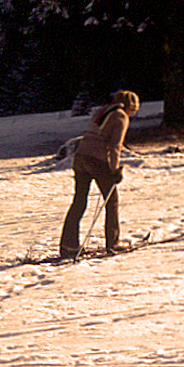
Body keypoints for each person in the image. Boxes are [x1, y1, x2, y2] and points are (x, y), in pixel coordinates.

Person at [59, 90, 140, 258]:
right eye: (134, 109)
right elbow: (115, 146)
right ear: (130, 106)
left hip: (80, 157)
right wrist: (114, 169)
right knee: (112, 200)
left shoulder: (102, 110)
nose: (134, 112)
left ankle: (68, 246)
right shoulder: (121, 116)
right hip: (97, 160)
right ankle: (113, 243)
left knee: (79, 200)